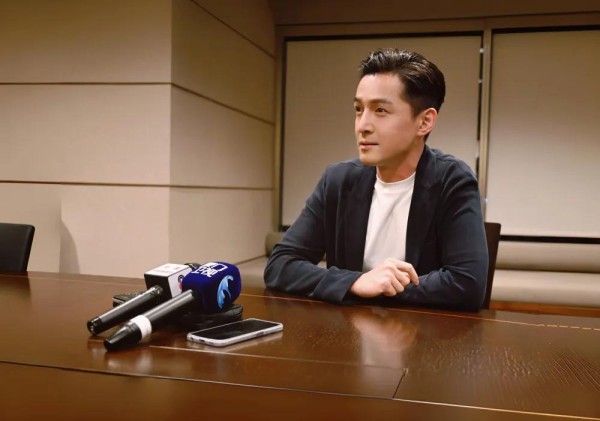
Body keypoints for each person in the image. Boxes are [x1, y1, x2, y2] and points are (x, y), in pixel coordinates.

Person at [264, 48, 488, 311]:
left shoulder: (452, 181)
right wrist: (355, 282)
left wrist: (383, 287)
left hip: (423, 332)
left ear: (424, 122)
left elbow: (467, 284)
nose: (363, 125)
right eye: (359, 110)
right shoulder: (338, 180)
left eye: (380, 110)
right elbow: (280, 265)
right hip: (347, 331)